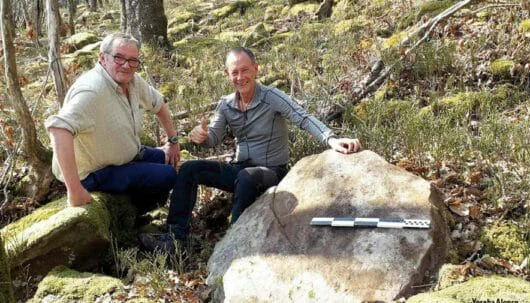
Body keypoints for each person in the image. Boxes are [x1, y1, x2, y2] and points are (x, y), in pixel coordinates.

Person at [141, 47, 360, 251]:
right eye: (234, 72)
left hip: (271, 172)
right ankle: (175, 238)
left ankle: (233, 243)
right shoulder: (225, 105)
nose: (240, 77)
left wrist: (330, 139)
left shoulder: (271, 97)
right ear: (228, 75)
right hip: (239, 169)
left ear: (255, 69)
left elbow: (302, 117)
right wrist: (202, 136)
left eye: (245, 70)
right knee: (189, 169)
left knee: (246, 177)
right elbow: (213, 138)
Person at [45, 33, 179, 211]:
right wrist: (74, 190)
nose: (126, 65)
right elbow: (58, 129)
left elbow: (159, 104)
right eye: (119, 57)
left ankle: (143, 209)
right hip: (94, 172)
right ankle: (135, 215)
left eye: (132, 60)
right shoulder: (91, 90)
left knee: (167, 159)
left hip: (125, 157)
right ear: (102, 58)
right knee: (168, 175)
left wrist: (173, 141)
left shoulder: (132, 81)